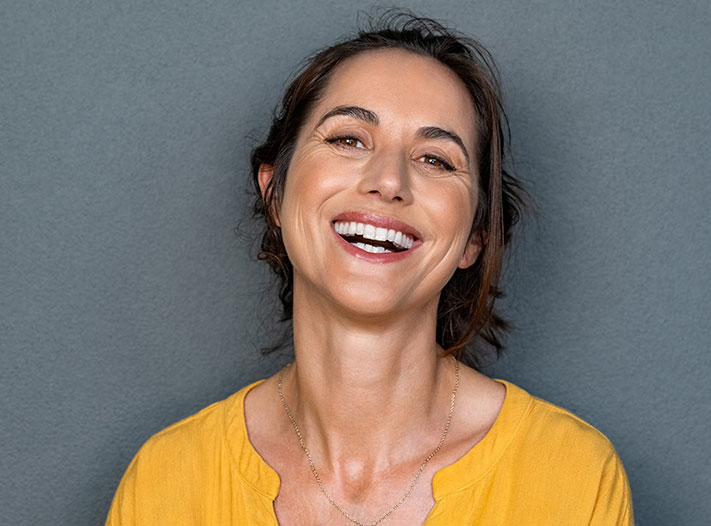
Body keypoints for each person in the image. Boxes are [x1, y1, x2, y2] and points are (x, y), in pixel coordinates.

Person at [106, 12, 633, 526]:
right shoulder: (165, 480)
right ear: (275, 193)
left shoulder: (572, 476)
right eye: (348, 139)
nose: (388, 180)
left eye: (435, 159)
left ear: (474, 237)